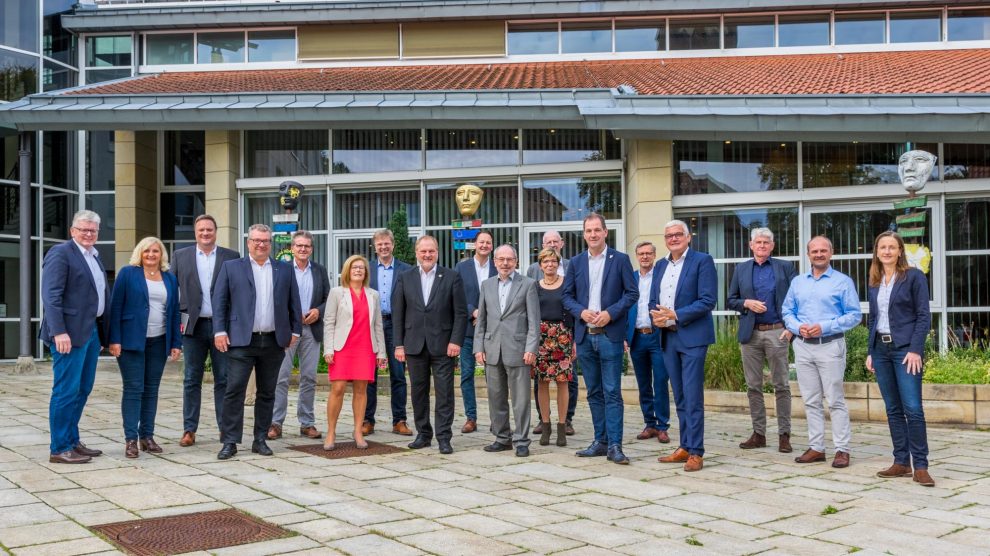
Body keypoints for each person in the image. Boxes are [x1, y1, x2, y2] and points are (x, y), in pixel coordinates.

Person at [212, 224, 301, 460]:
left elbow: (295, 302)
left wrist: (296, 331)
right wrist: (219, 331)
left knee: (267, 392)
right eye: (256, 240)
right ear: (248, 242)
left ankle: (260, 438)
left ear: (271, 244)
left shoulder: (284, 269)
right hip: (242, 340)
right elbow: (219, 301)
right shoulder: (232, 268)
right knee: (234, 391)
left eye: (265, 241)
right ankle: (230, 441)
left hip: (273, 341)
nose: (261, 244)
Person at [563, 213, 637, 465]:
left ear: (606, 232)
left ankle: (615, 445)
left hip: (610, 335)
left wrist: (610, 313)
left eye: (597, 230)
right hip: (585, 336)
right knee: (594, 391)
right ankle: (600, 441)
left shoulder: (621, 260)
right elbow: (567, 296)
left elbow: (632, 294)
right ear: (584, 234)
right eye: (588, 230)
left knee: (612, 391)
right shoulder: (575, 262)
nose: (593, 234)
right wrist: (580, 312)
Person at [782, 236, 861, 469]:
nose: (819, 254)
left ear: (831, 253)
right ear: (808, 254)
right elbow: (787, 311)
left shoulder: (843, 282)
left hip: (830, 345)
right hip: (803, 346)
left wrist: (824, 326)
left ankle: (842, 449)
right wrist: (797, 327)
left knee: (835, 400)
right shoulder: (798, 282)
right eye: (814, 251)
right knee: (811, 400)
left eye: (823, 250)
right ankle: (817, 447)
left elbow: (854, 315)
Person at [41, 210, 111, 464]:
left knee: (83, 388)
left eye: (92, 230)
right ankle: (59, 448)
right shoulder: (61, 253)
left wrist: (102, 334)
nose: (88, 234)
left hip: (90, 332)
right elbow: (51, 296)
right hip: (67, 334)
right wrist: (59, 331)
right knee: (65, 390)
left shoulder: (94, 256)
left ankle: (71, 440)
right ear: (72, 231)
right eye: (83, 229)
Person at [866, 231, 934, 487]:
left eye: (891, 247)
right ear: (877, 251)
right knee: (893, 409)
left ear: (900, 251)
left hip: (906, 351)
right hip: (881, 352)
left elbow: (923, 316)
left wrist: (916, 349)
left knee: (913, 409)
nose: (886, 251)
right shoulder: (874, 280)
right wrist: (870, 352)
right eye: (882, 247)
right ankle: (901, 462)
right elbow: (873, 318)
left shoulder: (914, 277)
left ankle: (921, 466)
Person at [108, 237, 182, 458]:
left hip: (159, 341)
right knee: (133, 389)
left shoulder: (169, 278)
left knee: (151, 389)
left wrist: (176, 342)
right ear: (140, 253)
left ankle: (147, 436)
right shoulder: (127, 274)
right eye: (147, 251)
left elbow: (175, 311)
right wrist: (114, 339)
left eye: (156, 251)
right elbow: (116, 306)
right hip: (131, 341)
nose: (151, 255)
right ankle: (130, 439)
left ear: (162, 255)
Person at [393, 235, 468, 455]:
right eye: (423, 251)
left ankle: (444, 437)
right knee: (418, 392)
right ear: (416, 253)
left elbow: (461, 314)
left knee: (444, 393)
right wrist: (398, 344)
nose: (427, 255)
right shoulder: (405, 278)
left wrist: (456, 341)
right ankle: (423, 434)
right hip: (414, 345)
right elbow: (398, 313)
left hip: (444, 346)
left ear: (437, 252)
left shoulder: (451, 277)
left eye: (431, 251)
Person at [652, 220, 717, 472]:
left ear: (688, 237)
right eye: (669, 235)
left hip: (692, 337)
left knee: (692, 396)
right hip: (667, 337)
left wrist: (676, 314)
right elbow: (653, 299)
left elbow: (707, 300)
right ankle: (685, 445)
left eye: (678, 234)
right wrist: (656, 316)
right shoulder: (660, 265)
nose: (673, 238)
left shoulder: (702, 261)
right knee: (678, 395)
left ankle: (697, 452)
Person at [170, 214, 239, 448]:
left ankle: (224, 428)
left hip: (222, 327)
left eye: (209, 230)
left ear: (215, 231)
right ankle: (189, 429)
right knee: (191, 379)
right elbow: (172, 291)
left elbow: (237, 294)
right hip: (193, 326)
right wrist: (176, 321)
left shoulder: (231, 257)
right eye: (201, 230)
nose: (205, 234)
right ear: (195, 232)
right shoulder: (180, 257)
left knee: (224, 379)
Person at [727, 228, 798, 453]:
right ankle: (759, 433)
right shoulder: (741, 269)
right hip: (751, 333)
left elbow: (798, 297)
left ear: (772, 245)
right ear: (751, 245)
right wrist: (746, 303)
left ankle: (784, 435)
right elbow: (731, 300)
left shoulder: (785, 267)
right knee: (753, 386)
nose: (762, 245)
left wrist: (790, 328)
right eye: (758, 242)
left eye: (766, 242)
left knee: (781, 385)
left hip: (777, 331)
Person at [475, 245, 541, 457]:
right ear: (494, 262)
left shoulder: (528, 285)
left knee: (521, 399)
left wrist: (532, 347)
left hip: (519, 350)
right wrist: (478, 347)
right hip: (492, 349)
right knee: (496, 397)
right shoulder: (486, 285)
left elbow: (534, 321)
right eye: (501, 259)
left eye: (509, 259)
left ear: (516, 261)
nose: (505, 263)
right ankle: (502, 438)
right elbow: (482, 320)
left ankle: (522, 440)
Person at [269, 231, 331, 441]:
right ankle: (276, 423)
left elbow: (327, 298)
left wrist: (318, 311)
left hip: (311, 330)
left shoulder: (319, 271)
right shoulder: (283, 269)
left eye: (307, 246)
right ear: (292, 248)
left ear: (311, 249)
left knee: (309, 377)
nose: (303, 249)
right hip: (288, 331)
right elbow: (276, 298)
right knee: (281, 377)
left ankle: (307, 423)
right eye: (299, 246)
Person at [323, 255, 387, 450]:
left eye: (361, 267)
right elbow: (329, 322)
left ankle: (358, 431)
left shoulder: (373, 295)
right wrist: (328, 348)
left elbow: (378, 325)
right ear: (347, 271)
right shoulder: (337, 293)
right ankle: (331, 432)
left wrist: (381, 353)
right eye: (354, 267)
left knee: (361, 390)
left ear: (366, 272)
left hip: (365, 347)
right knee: (338, 388)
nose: (358, 270)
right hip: (342, 347)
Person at [363, 229, 413, 436]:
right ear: (374, 247)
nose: (383, 247)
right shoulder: (366, 269)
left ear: (393, 245)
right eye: (379, 244)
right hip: (371, 326)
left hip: (396, 325)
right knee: (369, 376)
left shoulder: (406, 270)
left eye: (387, 243)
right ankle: (367, 420)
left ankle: (399, 420)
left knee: (398, 375)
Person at [527, 230, 577, 436]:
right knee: (542, 382)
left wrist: (574, 340)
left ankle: (563, 425)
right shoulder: (534, 286)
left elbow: (573, 310)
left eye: (553, 262)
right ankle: (545, 424)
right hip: (541, 337)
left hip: (563, 337)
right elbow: (529, 313)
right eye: (546, 262)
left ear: (558, 263)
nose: (550, 265)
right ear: (540, 265)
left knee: (564, 381)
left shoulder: (567, 283)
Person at [625, 241, 671, 444]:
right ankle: (649, 424)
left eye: (648, 253)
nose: (644, 257)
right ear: (636, 256)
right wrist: (625, 336)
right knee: (643, 384)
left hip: (658, 336)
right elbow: (625, 307)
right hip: (636, 336)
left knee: (660, 381)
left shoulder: (662, 277)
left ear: (654, 255)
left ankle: (662, 426)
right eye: (641, 253)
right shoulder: (630, 278)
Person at [454, 230, 496, 433]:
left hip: (493, 331)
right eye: (481, 242)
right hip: (468, 329)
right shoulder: (462, 267)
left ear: (492, 246)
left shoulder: (499, 267)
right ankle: (471, 417)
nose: (485, 245)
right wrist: (473, 311)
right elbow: (457, 295)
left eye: (488, 242)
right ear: (475, 244)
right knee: (467, 375)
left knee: (494, 376)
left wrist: (486, 313)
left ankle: (497, 419)